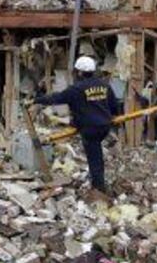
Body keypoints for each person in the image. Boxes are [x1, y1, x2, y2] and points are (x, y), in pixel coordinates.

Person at [34, 56, 120, 191]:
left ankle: (99, 188)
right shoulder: (104, 85)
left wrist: (37, 99)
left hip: (89, 129)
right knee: (96, 153)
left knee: (94, 158)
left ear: (79, 72)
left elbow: (56, 98)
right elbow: (114, 106)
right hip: (104, 126)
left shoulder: (76, 89)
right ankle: (99, 182)